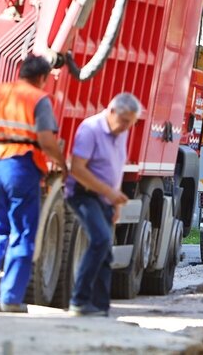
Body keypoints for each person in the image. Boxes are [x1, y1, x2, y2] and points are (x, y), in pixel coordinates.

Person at [0, 55, 68, 313]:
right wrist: (62, 164)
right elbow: (47, 141)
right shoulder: (39, 99)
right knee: (23, 233)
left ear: (20, 72)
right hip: (22, 167)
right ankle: (10, 298)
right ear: (42, 78)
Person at [64, 93, 141, 317]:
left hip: (105, 198)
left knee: (106, 251)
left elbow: (115, 168)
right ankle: (79, 301)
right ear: (112, 111)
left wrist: (115, 202)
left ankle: (99, 306)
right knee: (100, 240)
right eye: (125, 121)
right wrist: (109, 193)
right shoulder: (91, 129)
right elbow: (77, 169)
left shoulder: (120, 130)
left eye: (131, 123)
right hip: (83, 194)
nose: (127, 127)